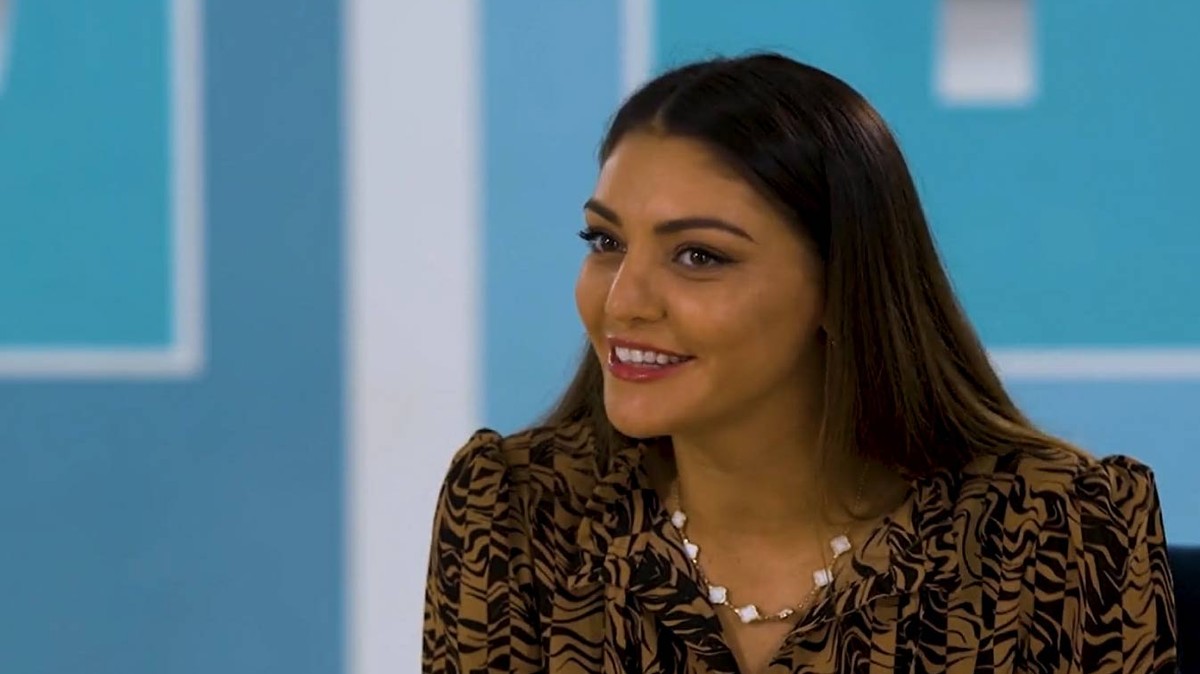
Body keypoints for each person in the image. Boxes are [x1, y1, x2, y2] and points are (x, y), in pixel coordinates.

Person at [421, 53, 1178, 674]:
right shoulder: (515, 514)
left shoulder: (1063, 535)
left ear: (841, 284)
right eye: (606, 242)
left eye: (698, 256)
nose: (623, 301)